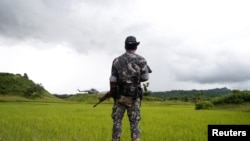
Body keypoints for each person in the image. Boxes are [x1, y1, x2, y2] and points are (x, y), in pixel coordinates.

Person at [109, 35, 152, 141]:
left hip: (119, 97)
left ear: (125, 46)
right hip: (134, 97)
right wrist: (134, 79)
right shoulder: (141, 60)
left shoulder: (116, 60)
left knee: (117, 121)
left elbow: (113, 80)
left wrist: (112, 92)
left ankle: (116, 139)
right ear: (136, 47)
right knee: (134, 123)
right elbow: (145, 77)